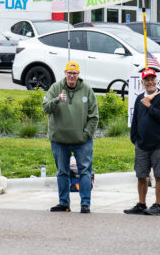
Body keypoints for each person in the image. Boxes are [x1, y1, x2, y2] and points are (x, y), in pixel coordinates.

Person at [43, 60, 99, 213]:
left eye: (74, 73)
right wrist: (57, 100)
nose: (72, 76)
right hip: (60, 140)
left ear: (78, 74)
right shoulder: (56, 88)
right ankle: (64, 203)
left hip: (82, 141)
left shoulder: (86, 90)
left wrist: (86, 134)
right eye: (69, 73)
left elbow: (94, 116)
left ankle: (85, 204)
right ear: (65, 73)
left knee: (85, 171)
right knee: (62, 171)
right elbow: (45, 108)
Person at [124, 68, 160, 216]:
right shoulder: (140, 98)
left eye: (153, 79)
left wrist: (150, 106)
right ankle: (141, 204)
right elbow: (136, 121)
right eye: (147, 79)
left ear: (156, 81)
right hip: (142, 145)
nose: (150, 82)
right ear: (143, 82)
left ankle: (157, 206)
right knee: (141, 175)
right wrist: (135, 139)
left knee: (159, 176)